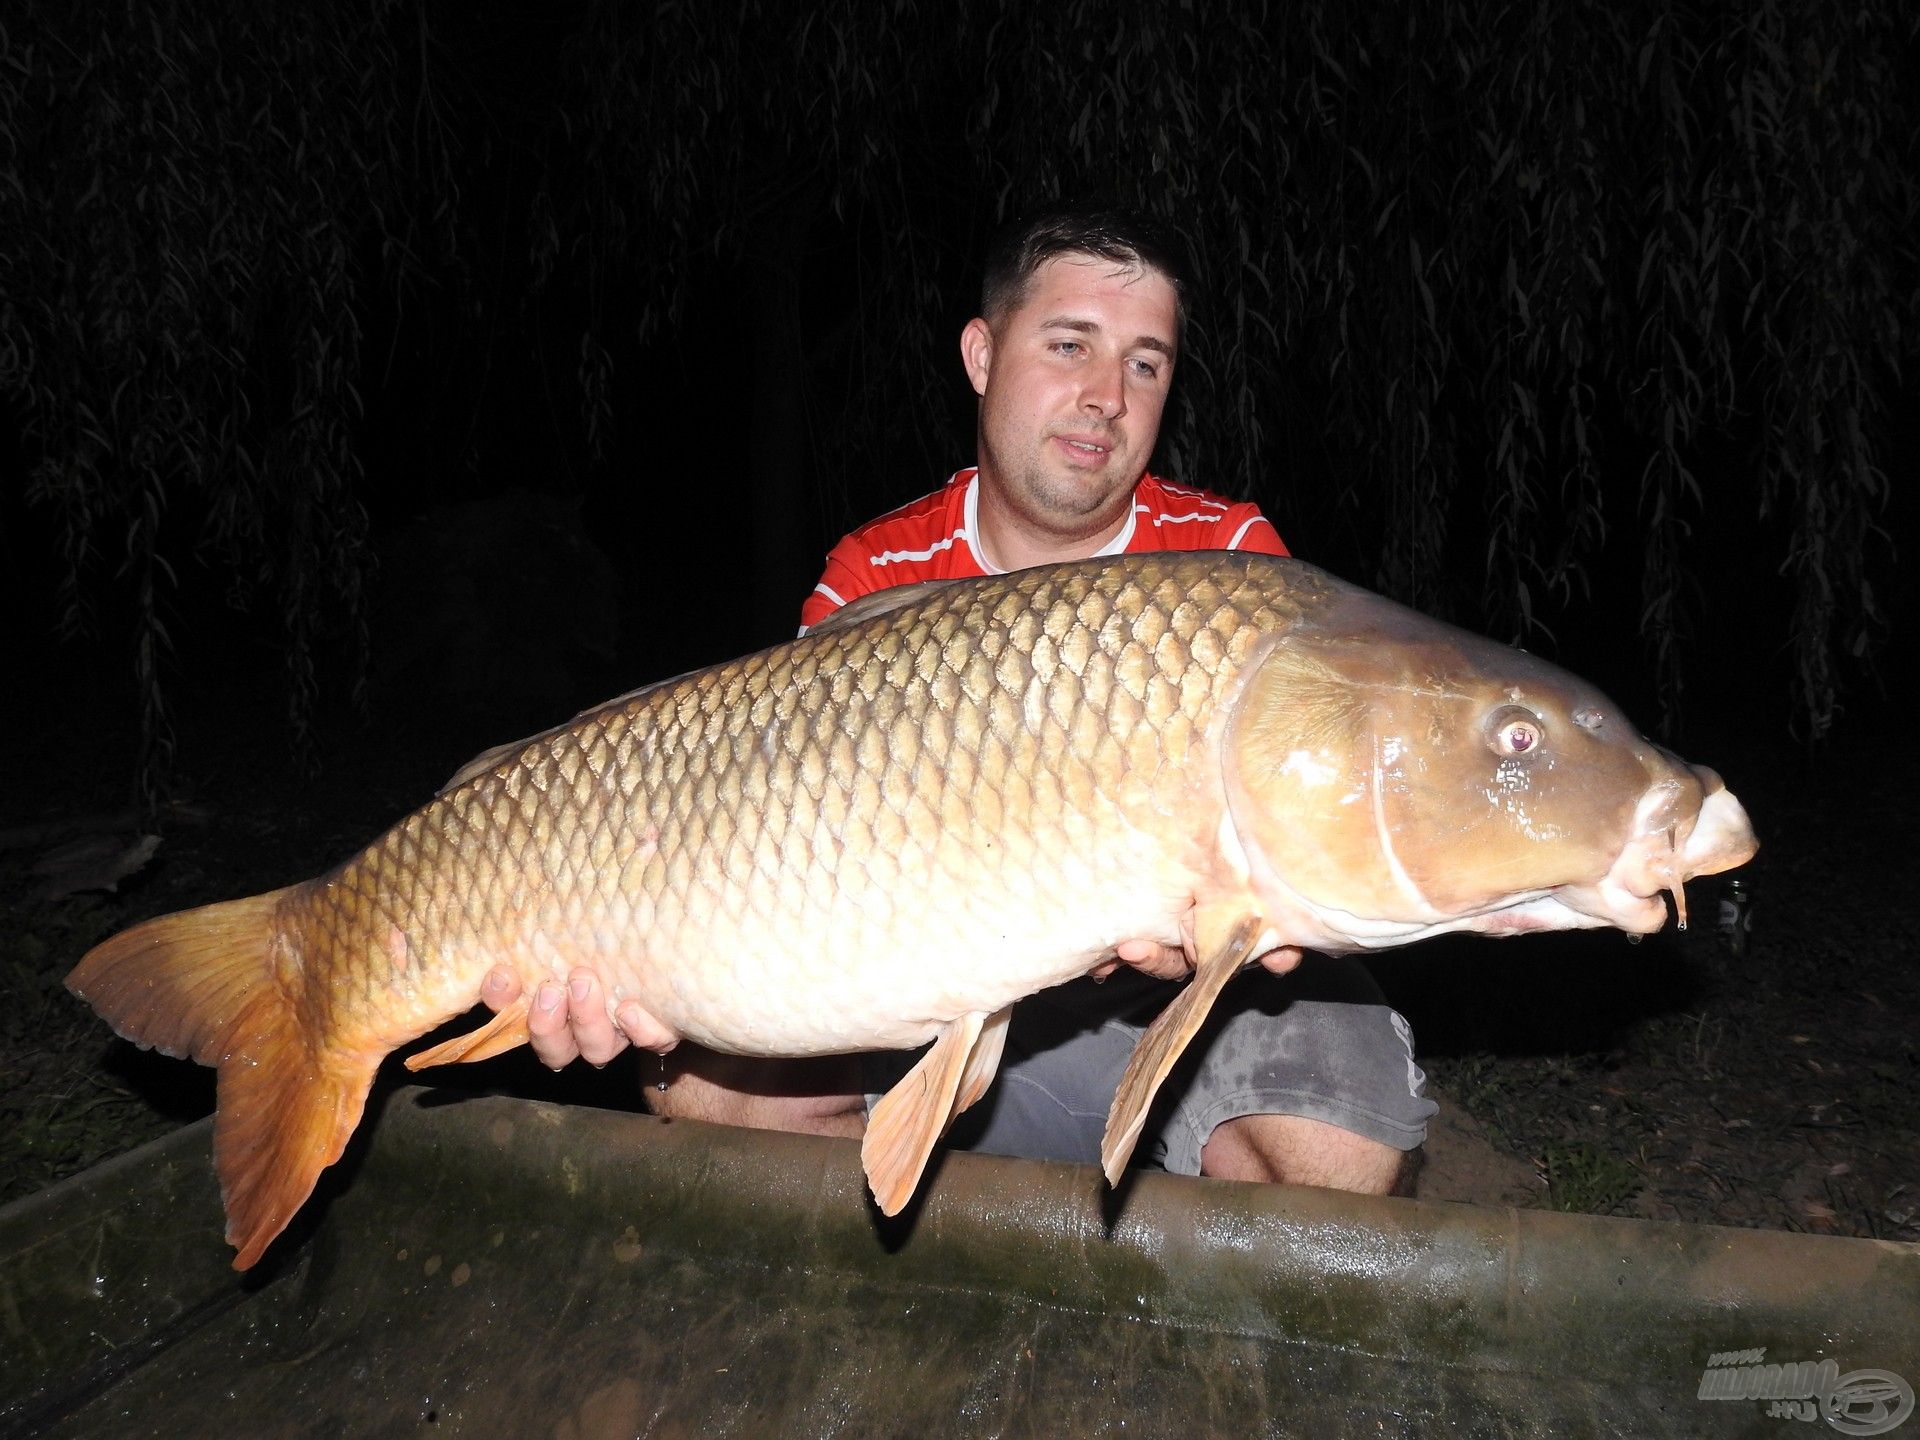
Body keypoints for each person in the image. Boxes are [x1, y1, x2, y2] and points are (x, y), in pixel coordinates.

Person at [481, 202, 1436, 1194]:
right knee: (702, 1088)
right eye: (1071, 345)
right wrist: (632, 959)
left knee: (1341, 1157)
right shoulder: (877, 572)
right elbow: (786, 870)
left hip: (1169, 1010)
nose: (1107, 395)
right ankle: (902, 1304)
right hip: (931, 999)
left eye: (1145, 364)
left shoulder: (1230, 566)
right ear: (982, 354)